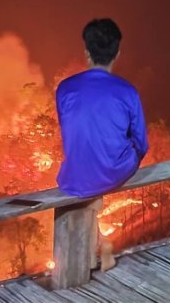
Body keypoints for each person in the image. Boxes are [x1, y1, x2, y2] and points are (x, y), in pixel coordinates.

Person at [56, 19, 149, 269]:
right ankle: (101, 245)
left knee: (86, 176)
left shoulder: (64, 89)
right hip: (115, 170)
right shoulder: (127, 91)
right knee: (111, 163)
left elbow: (69, 132)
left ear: (86, 53)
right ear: (117, 54)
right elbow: (142, 142)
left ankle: (97, 247)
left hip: (74, 176)